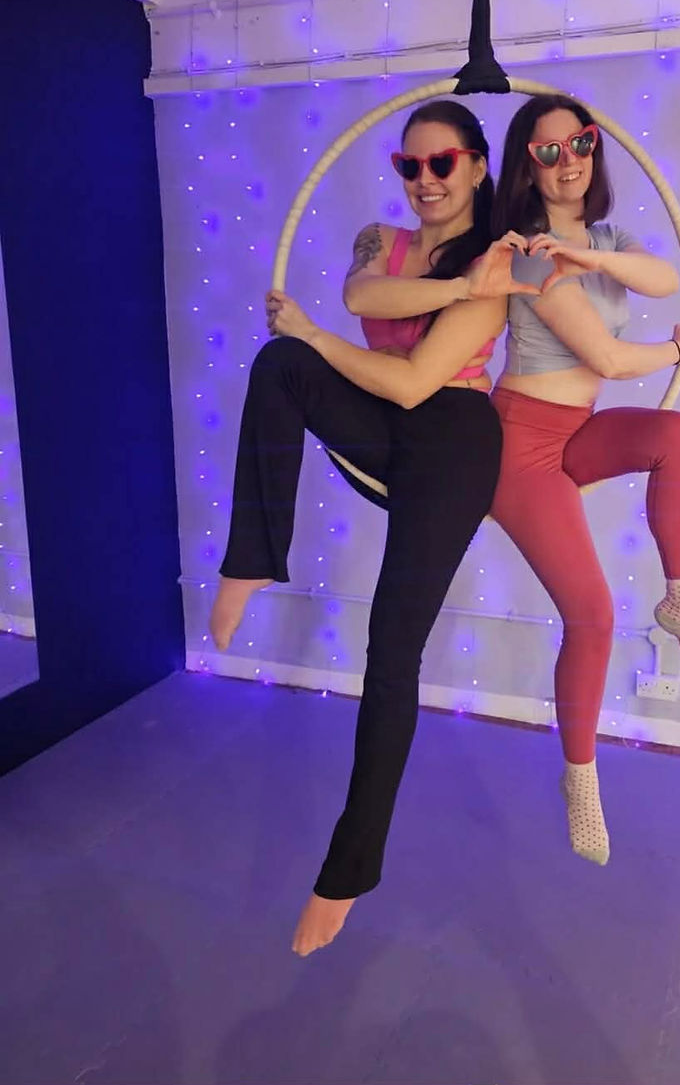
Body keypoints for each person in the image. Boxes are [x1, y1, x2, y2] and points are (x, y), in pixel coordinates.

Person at [209, 100, 535, 955]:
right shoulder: (379, 240)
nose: (424, 181)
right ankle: (249, 559)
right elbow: (365, 293)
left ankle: (345, 874)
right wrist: (337, 328)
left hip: (451, 442)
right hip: (382, 420)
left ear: (475, 168)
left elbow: (413, 382)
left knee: (391, 648)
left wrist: (330, 329)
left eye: (443, 165)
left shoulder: (495, 259)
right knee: (281, 363)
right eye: (410, 166)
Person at [488, 93, 680, 867]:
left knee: (676, 435)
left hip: (577, 431)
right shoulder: (523, 250)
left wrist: (593, 255)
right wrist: (679, 353)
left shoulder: (603, 239)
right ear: (525, 165)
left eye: (577, 143)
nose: (567, 160)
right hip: (520, 445)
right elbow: (608, 360)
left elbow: (657, 278)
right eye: (546, 151)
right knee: (593, 616)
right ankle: (579, 777)